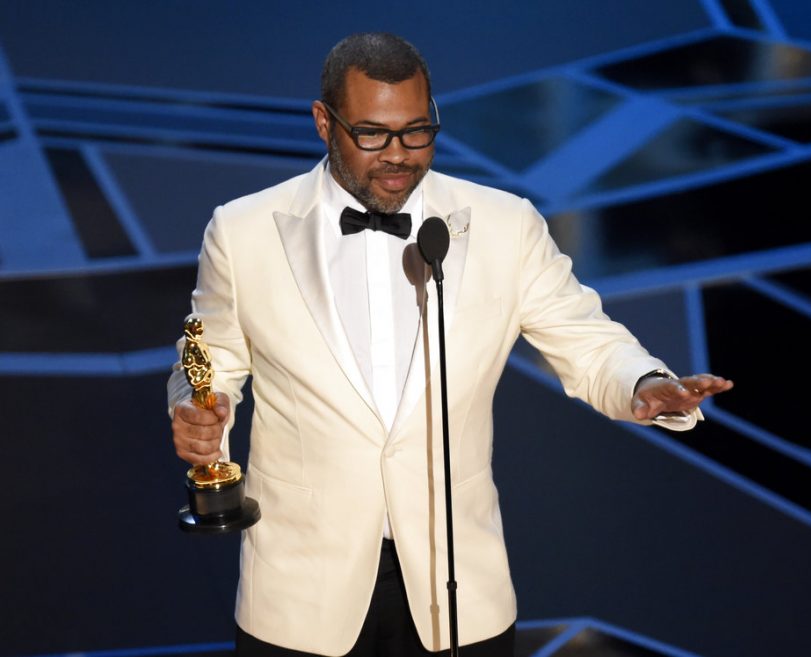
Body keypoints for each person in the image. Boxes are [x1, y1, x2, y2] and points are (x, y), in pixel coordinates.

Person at [168, 32, 733, 657]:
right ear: (324, 124)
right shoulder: (243, 231)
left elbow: (588, 338)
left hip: (457, 596)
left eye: (417, 131)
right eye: (373, 134)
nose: (399, 155)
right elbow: (207, 360)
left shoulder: (504, 225)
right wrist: (199, 416)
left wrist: (644, 383)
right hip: (300, 597)